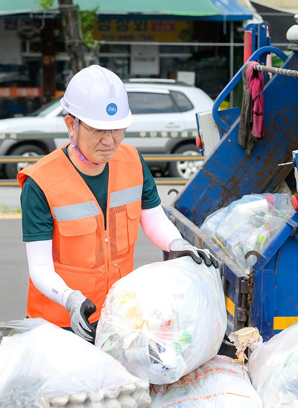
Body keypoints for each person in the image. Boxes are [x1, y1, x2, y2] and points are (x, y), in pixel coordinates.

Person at [18, 65, 218, 342]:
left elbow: (154, 219)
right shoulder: (40, 182)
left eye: (117, 129)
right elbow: (39, 265)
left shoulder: (132, 161)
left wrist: (176, 244)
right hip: (57, 325)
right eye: (98, 130)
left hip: (116, 316)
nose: (109, 141)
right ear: (70, 125)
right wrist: (70, 299)